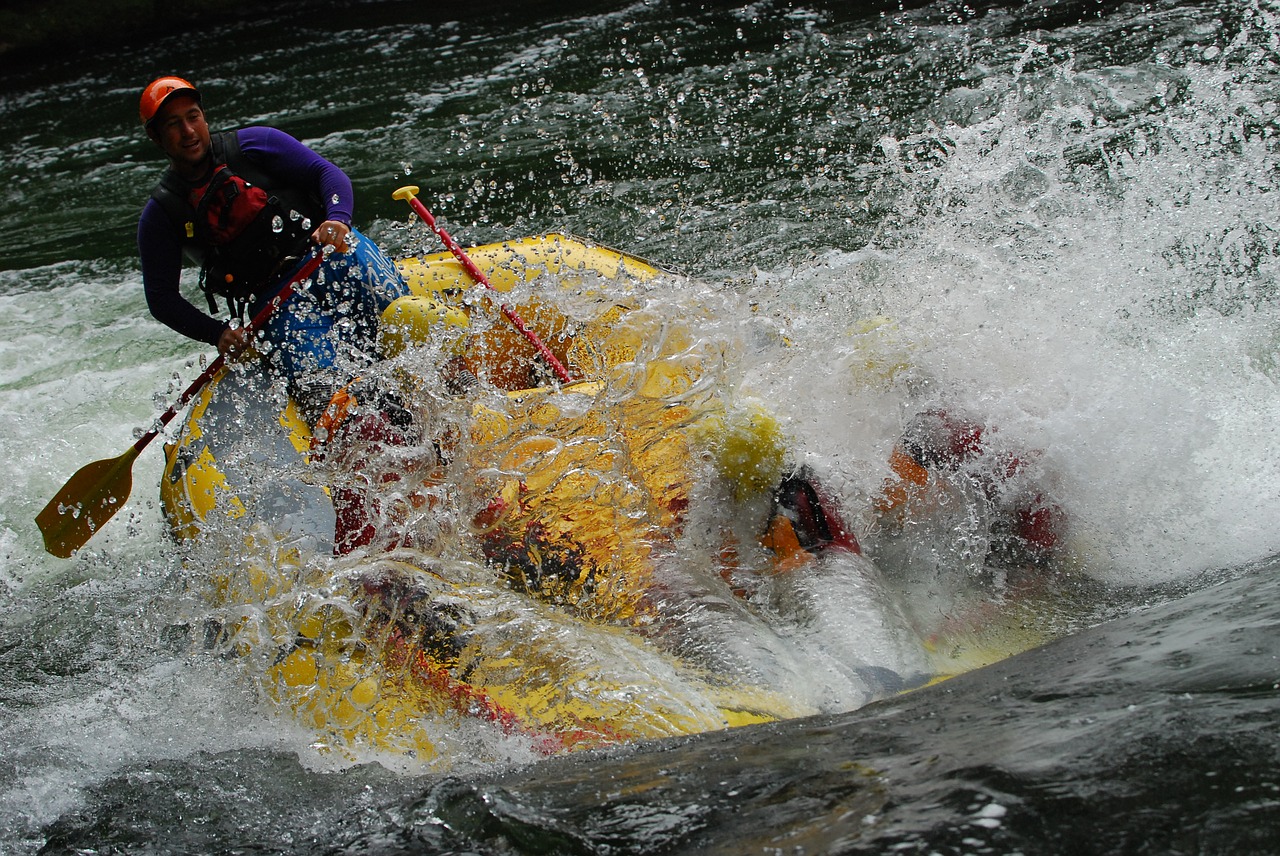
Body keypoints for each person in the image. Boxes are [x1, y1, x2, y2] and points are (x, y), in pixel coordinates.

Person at [137, 75, 417, 553]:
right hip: (273, 306)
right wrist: (219, 332)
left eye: (193, 117)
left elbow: (329, 176)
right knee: (327, 390)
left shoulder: (256, 146)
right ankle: (374, 464)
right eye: (173, 125)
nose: (188, 131)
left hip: (327, 255)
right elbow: (160, 298)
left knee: (402, 317)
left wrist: (338, 219)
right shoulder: (162, 214)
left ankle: (436, 396)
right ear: (159, 139)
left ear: (204, 117)